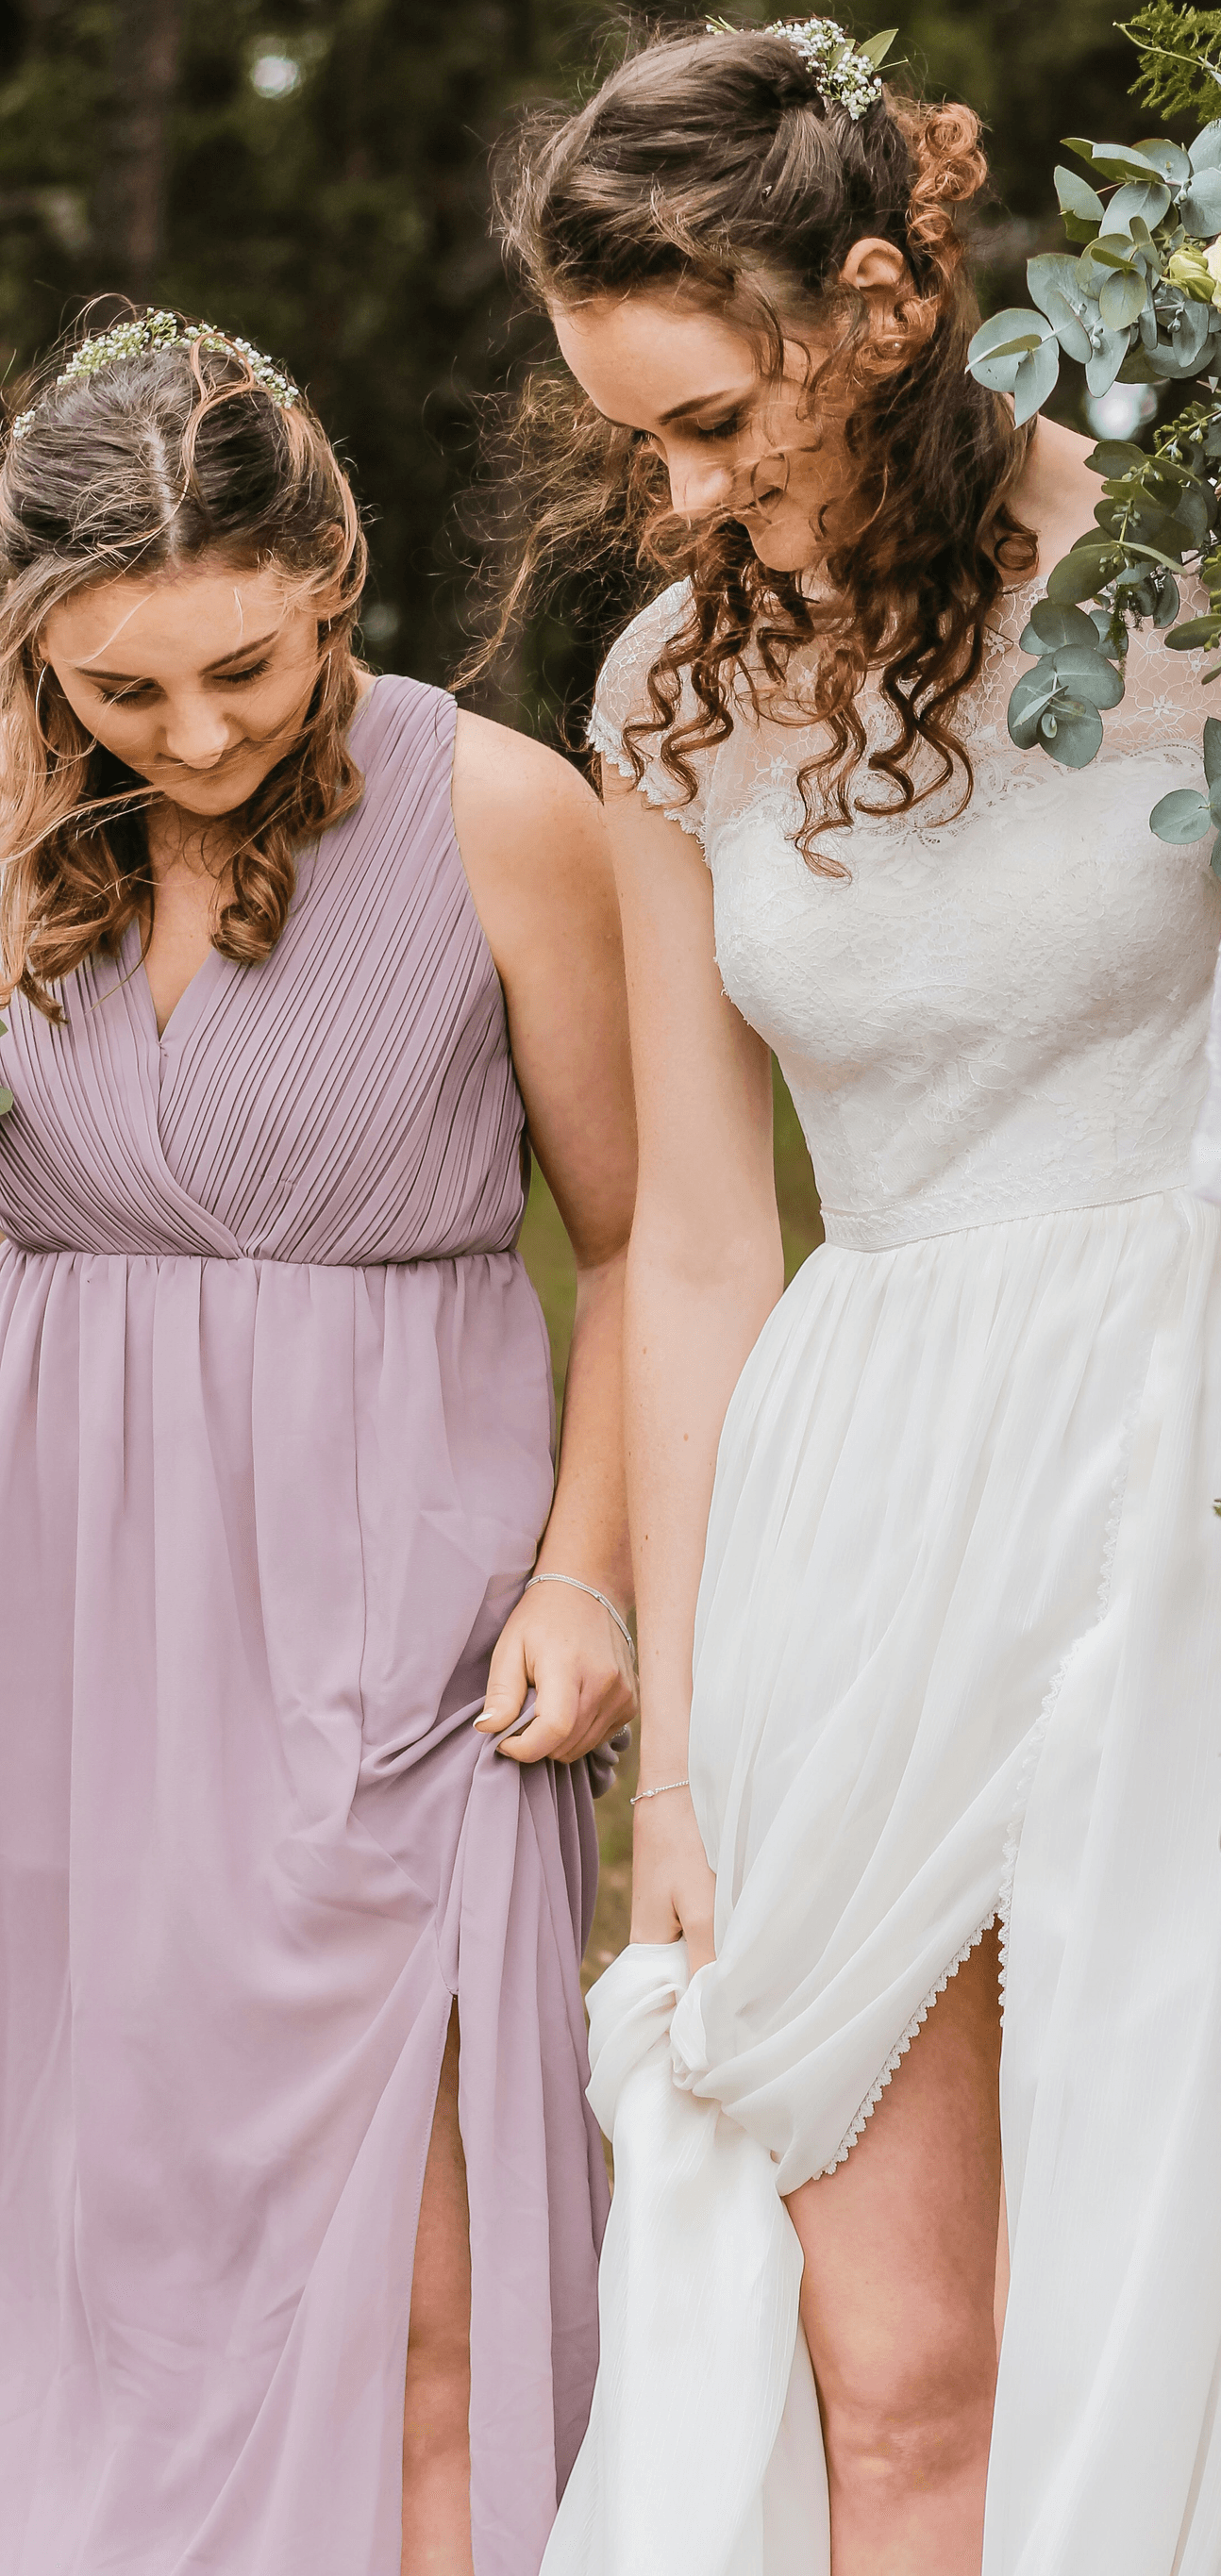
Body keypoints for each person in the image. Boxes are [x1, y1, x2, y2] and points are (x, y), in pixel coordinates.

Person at [491, 24, 1221, 2574]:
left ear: (876, 304)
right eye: (641, 441)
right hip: (864, 1467)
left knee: (1139, 2303)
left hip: (1198, 1464)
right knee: (897, 2342)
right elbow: (712, 1235)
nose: (689, 491)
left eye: (722, 416)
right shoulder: (669, 694)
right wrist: (696, 1772)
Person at [0, 311, 636, 2576]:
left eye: (246, 670)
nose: (195, 736)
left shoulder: (504, 811)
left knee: (420, 2286)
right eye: (122, 692)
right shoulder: (7, 826)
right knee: (85, 2245)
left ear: (333, 563)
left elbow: (643, 1247)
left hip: (397, 1625)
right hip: (63, 1637)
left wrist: (586, 1568)